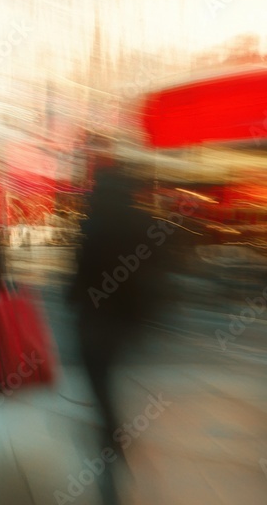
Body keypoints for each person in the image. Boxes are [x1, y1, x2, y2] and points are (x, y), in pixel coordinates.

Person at [68, 165, 168, 503]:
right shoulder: (139, 220)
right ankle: (111, 432)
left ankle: (110, 433)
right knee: (105, 373)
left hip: (97, 312)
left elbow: (82, 268)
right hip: (126, 314)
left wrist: (75, 297)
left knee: (98, 376)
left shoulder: (95, 221)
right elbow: (155, 265)